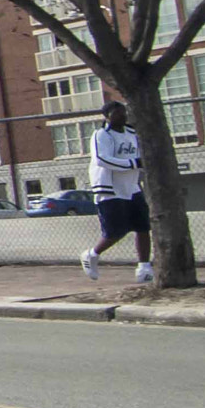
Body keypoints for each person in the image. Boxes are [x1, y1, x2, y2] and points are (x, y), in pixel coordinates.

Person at [81, 99, 151, 284]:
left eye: (124, 112)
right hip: (109, 188)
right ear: (107, 116)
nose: (122, 115)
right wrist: (133, 164)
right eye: (117, 113)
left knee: (143, 226)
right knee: (116, 231)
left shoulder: (132, 133)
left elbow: (140, 154)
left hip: (132, 186)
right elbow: (102, 159)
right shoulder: (101, 135)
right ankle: (91, 254)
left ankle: (144, 267)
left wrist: (141, 164)